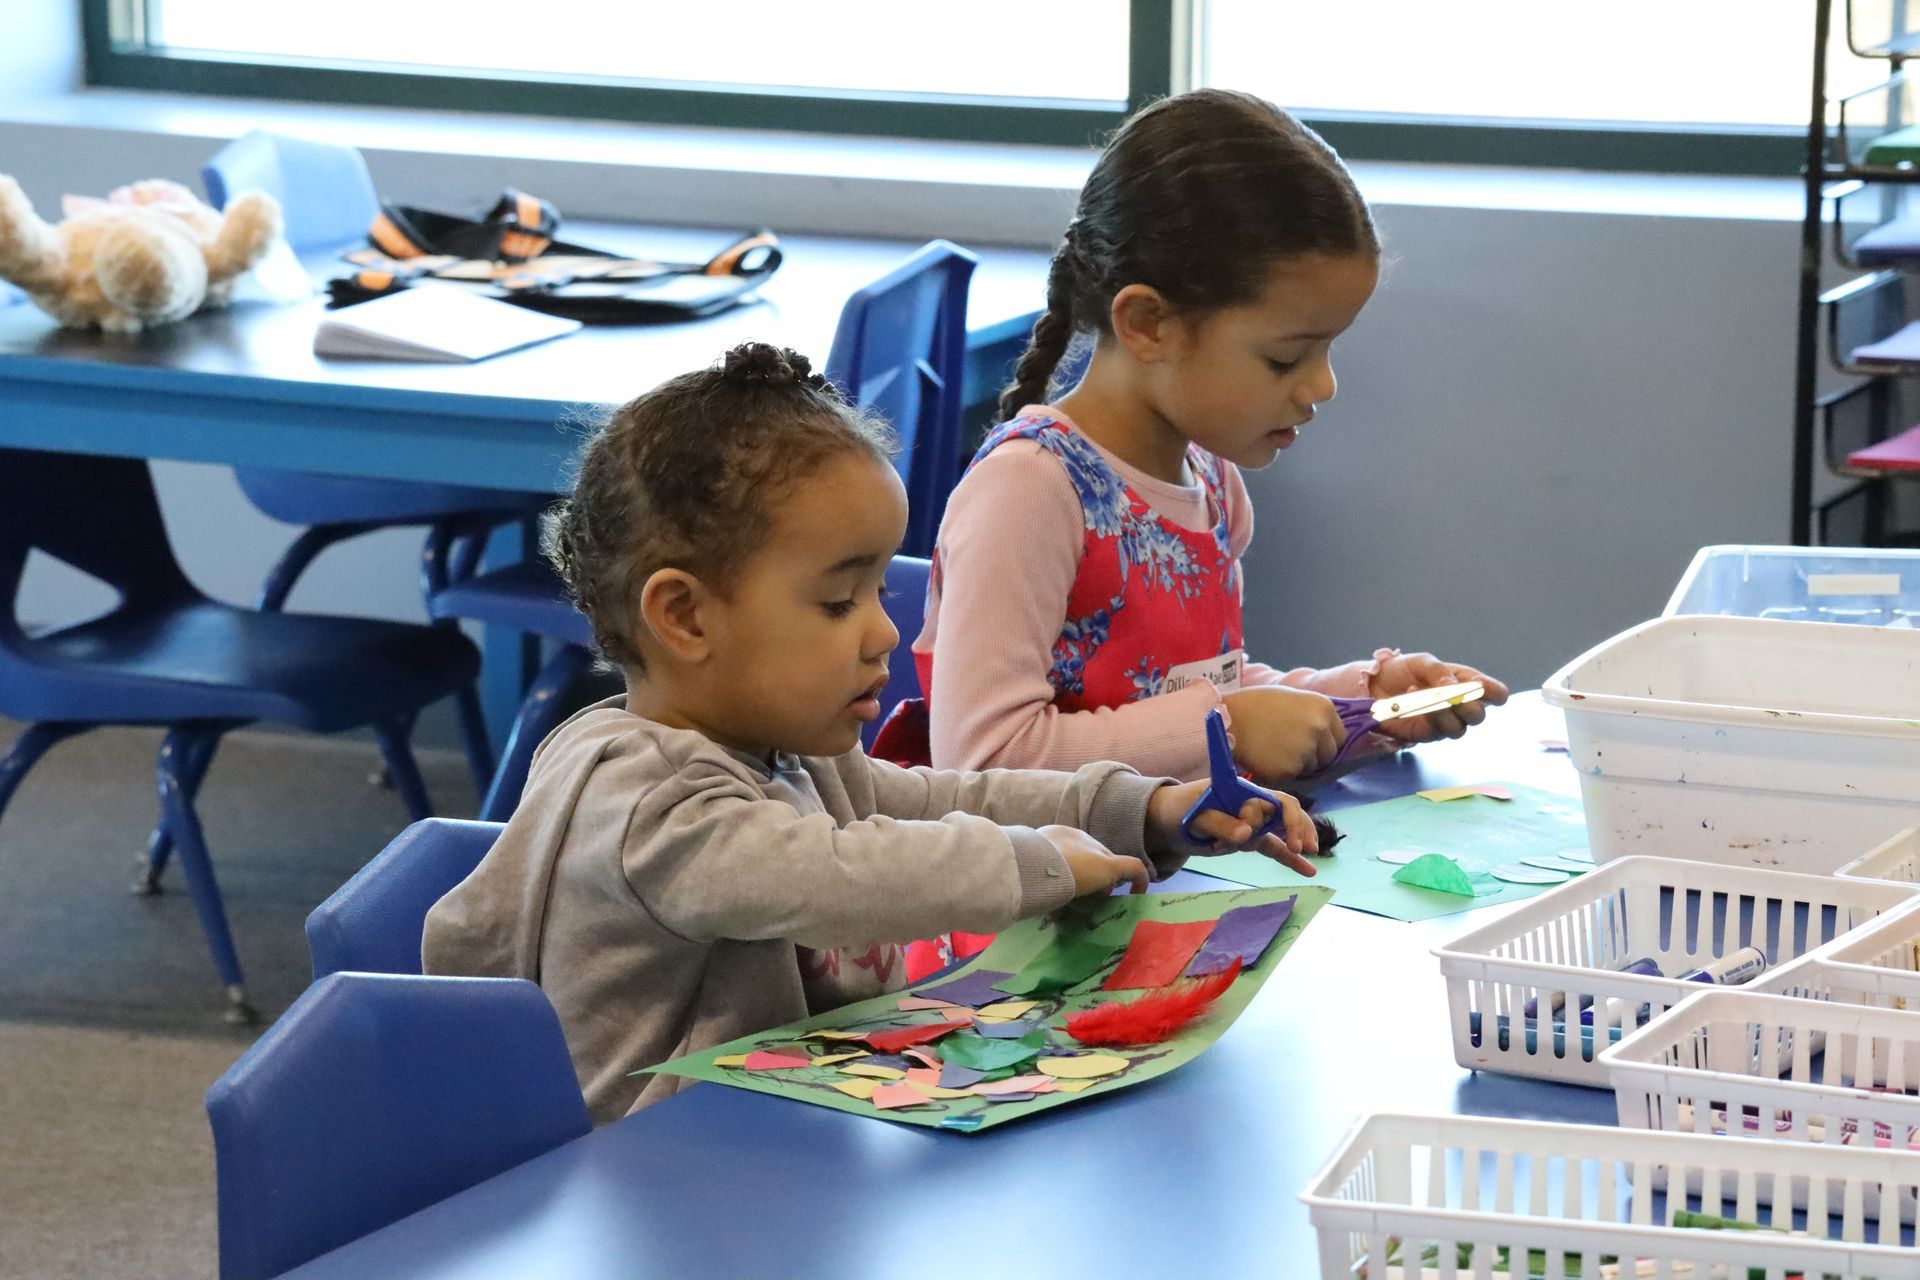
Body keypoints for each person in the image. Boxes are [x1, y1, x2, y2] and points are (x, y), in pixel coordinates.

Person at [423, 342, 1319, 1124]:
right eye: (835, 600)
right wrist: (1033, 864)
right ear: (685, 618)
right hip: (646, 1184)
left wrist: (1138, 810)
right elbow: (833, 873)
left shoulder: (784, 752)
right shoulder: (645, 802)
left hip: (778, 1139)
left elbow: (930, 796)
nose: (883, 632)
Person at [900, 89, 1509, 785]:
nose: (1322, 387)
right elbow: (984, 759)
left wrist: (1361, 704)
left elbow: (1200, 686)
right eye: (1285, 358)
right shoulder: (1029, 493)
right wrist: (1228, 729)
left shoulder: (1211, 479)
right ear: (1149, 324)